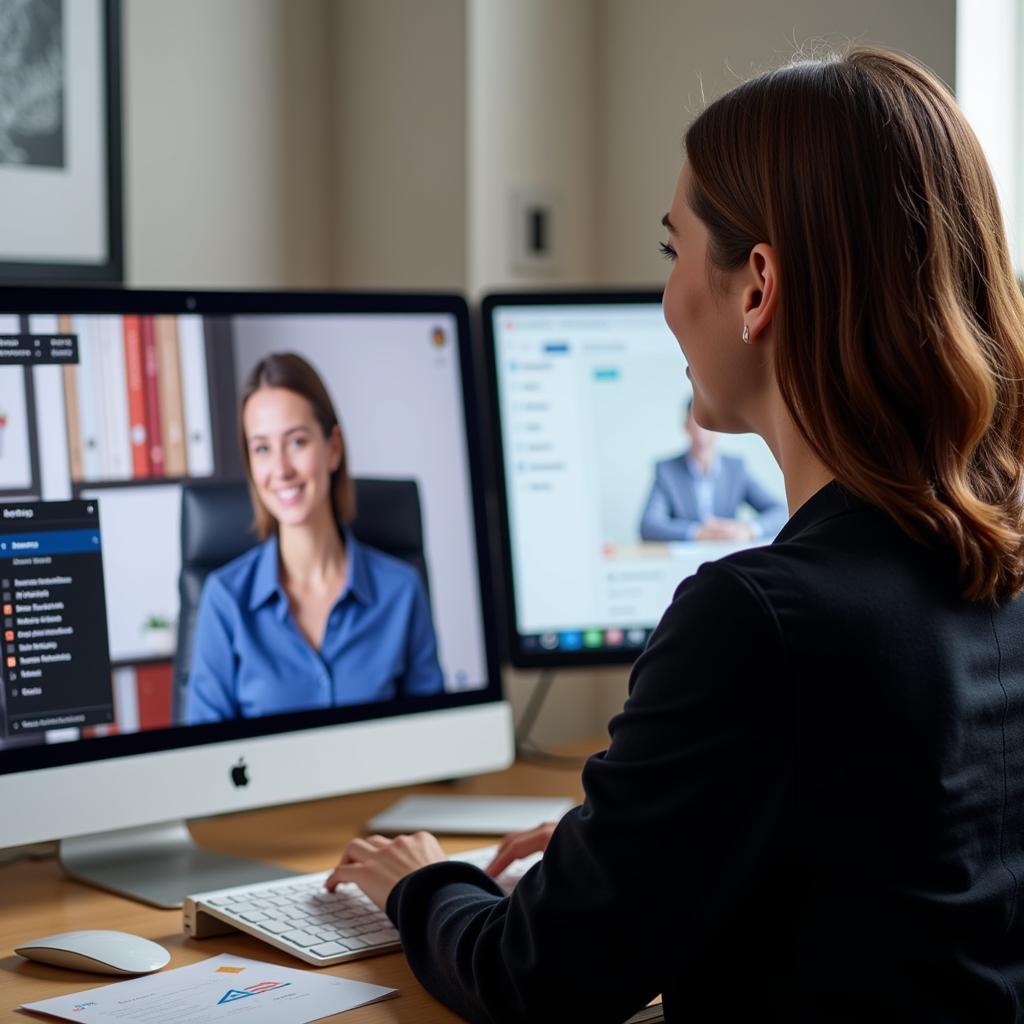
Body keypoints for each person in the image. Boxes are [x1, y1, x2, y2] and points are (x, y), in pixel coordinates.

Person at [325, 49, 1024, 1021]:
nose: (665, 295)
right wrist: (641, 840)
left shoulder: (759, 620)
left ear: (756, 287)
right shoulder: (995, 568)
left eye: (673, 251)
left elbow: (535, 981)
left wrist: (420, 881)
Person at [185, 353, 443, 723]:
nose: (281, 470)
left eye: (297, 442)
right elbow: (202, 761)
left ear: (333, 448)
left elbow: (433, 738)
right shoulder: (225, 600)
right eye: (261, 449)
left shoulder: (401, 590)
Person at [639, 399, 786, 541]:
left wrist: (748, 529)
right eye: (696, 421)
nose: (703, 428)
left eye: (709, 421)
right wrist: (698, 532)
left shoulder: (736, 469)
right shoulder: (667, 470)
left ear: (720, 427)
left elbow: (780, 512)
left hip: (727, 555)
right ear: (686, 426)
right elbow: (649, 525)